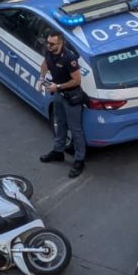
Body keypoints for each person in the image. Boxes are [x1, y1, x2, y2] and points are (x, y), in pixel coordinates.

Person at [39, 32, 86, 178]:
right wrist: (41, 77)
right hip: (59, 94)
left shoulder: (69, 58)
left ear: (61, 44)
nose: (49, 46)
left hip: (71, 96)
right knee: (59, 123)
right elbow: (45, 63)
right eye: (48, 42)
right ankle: (58, 151)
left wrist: (58, 87)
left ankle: (79, 160)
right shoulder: (49, 52)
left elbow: (76, 80)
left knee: (75, 130)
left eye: (52, 44)